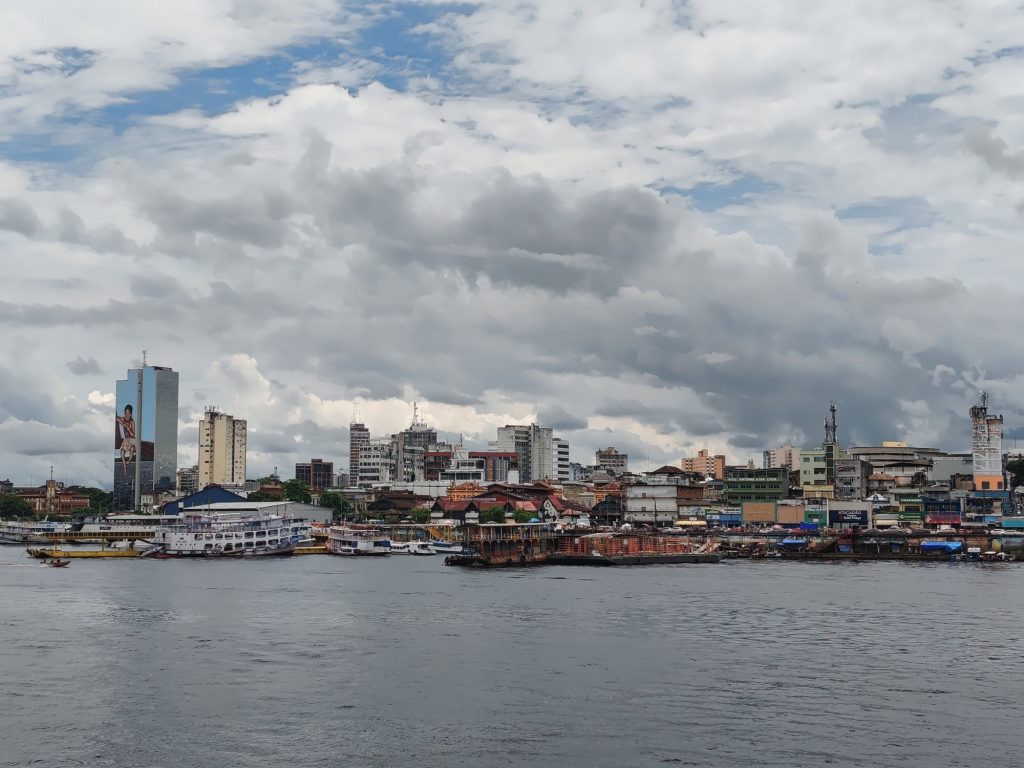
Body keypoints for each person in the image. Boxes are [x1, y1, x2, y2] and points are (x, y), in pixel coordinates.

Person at [116, 404, 136, 473]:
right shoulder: (123, 419)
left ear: (131, 414)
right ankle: (125, 468)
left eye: (128, 413)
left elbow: (133, 435)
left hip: (132, 440)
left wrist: (128, 429)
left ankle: (129, 461)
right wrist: (123, 424)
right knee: (122, 452)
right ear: (124, 413)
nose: (127, 415)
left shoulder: (132, 422)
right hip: (126, 440)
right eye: (126, 413)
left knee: (132, 449)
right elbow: (117, 418)